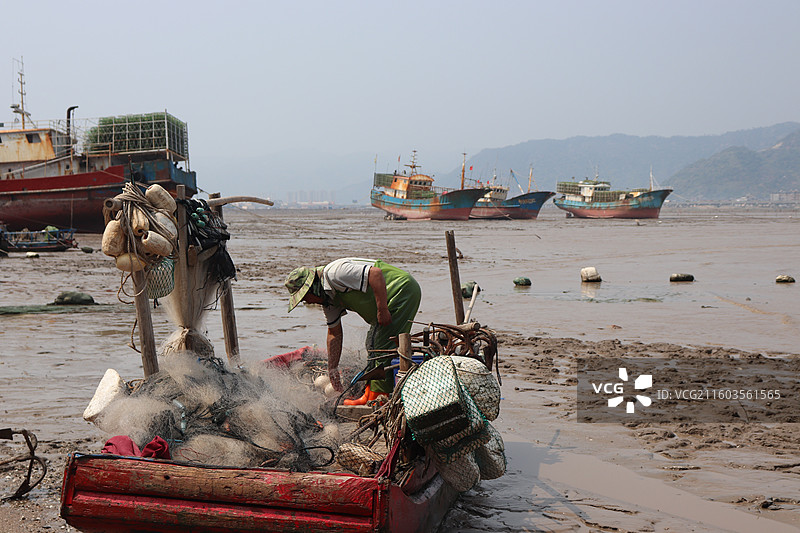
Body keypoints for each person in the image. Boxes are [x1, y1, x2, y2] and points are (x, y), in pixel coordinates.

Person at [285, 258, 421, 405]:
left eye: (305, 297)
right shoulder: (328, 300)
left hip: (401, 291)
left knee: (382, 346)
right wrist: (332, 368)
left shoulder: (335, 273)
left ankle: (379, 398)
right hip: (389, 301)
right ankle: (369, 395)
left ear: (311, 287)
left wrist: (382, 309)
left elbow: (375, 274)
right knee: (371, 344)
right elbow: (334, 333)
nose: (308, 302)